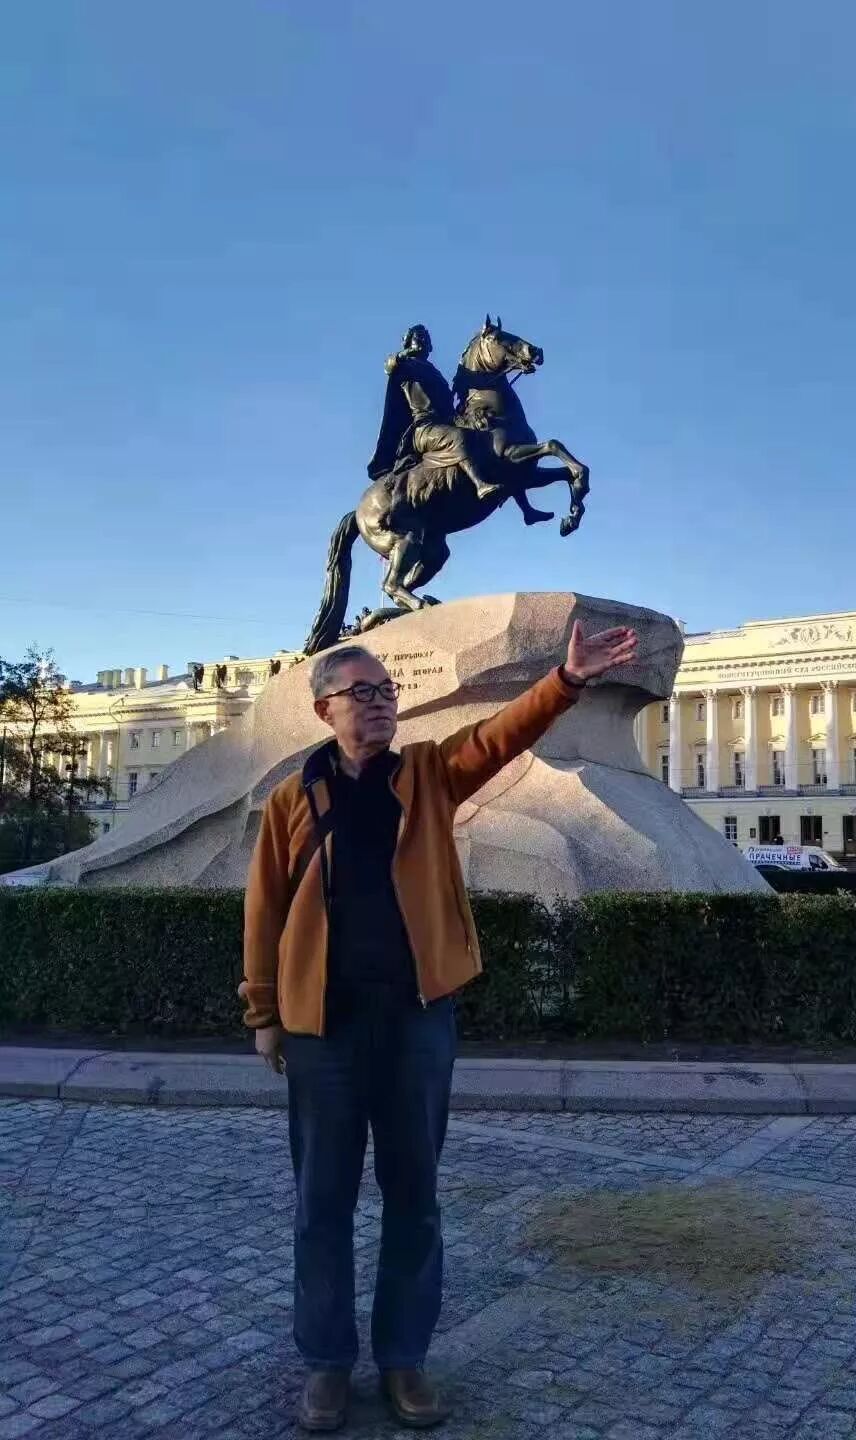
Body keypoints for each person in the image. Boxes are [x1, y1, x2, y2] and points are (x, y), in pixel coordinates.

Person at [240, 620, 638, 1433]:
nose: (382, 703)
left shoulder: (425, 774)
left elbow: (497, 737)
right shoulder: (291, 800)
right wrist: (264, 1013)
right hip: (322, 1033)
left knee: (414, 1198)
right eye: (363, 692)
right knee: (322, 1204)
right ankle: (326, 1364)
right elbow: (264, 912)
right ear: (324, 710)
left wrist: (566, 680)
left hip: (416, 1024)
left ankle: (403, 1360)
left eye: (388, 692)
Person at [368, 325, 552, 526]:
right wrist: (404, 354)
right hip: (424, 427)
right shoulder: (405, 365)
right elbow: (389, 365)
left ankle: (526, 509)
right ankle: (480, 484)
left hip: (445, 422)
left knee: (491, 444)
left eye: (426, 338)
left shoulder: (434, 372)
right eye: (418, 337)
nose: (423, 341)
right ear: (408, 341)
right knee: (458, 437)